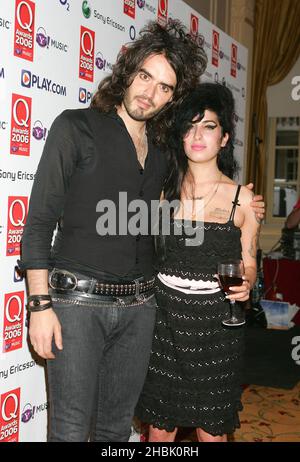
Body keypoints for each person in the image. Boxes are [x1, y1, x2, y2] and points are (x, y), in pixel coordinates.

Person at [20, 21, 264, 442]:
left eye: (165, 87)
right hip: (78, 305)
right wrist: (39, 305)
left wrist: (246, 206)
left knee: (116, 431)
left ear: (172, 98)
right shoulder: (74, 127)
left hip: (141, 312)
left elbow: (200, 205)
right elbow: (39, 222)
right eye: (145, 77)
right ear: (127, 69)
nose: (150, 93)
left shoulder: (164, 156)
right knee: (71, 430)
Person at [135, 82, 260, 442]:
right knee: (159, 430)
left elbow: (248, 262)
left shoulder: (245, 201)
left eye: (208, 126)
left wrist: (247, 282)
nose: (198, 135)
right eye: (190, 127)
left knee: (212, 433)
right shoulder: (162, 192)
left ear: (224, 138)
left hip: (217, 330)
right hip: (165, 323)